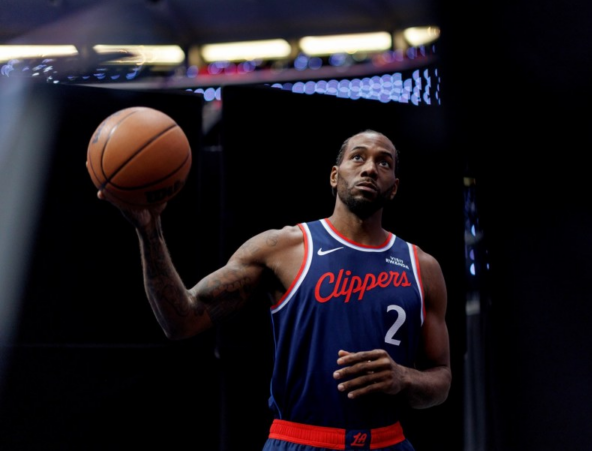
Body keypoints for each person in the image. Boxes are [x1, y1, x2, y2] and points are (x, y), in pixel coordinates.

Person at [96, 128, 452, 451]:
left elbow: (441, 378)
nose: (370, 168)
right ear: (334, 175)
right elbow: (182, 320)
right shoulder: (283, 248)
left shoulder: (422, 267)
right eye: (358, 157)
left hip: (388, 442)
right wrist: (149, 228)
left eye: (384, 162)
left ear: (395, 187)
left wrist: (403, 377)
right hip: (301, 440)